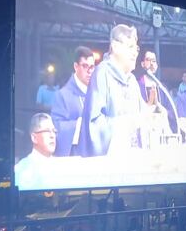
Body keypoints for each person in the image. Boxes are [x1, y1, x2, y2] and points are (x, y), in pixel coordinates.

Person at [79, 24, 161, 157]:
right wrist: (128, 123)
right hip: (111, 166)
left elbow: (142, 116)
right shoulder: (102, 74)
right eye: (130, 47)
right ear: (115, 47)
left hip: (134, 160)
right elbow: (93, 127)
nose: (135, 53)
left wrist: (155, 115)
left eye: (136, 48)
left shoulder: (132, 81)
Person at [51, 46, 94, 157]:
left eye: (92, 67)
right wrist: (80, 124)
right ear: (76, 66)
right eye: (85, 66)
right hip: (75, 157)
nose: (89, 71)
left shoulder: (97, 93)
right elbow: (56, 128)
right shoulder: (63, 95)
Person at [137, 50, 178, 134]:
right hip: (144, 133)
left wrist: (158, 105)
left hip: (161, 133)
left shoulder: (162, 88)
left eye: (154, 61)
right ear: (142, 64)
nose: (152, 63)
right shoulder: (136, 86)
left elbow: (172, 113)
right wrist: (149, 103)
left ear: (156, 66)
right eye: (148, 60)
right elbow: (134, 114)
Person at [14, 113, 56, 190]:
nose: (52, 135)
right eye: (47, 131)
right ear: (34, 137)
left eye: (54, 131)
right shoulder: (21, 169)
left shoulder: (61, 167)